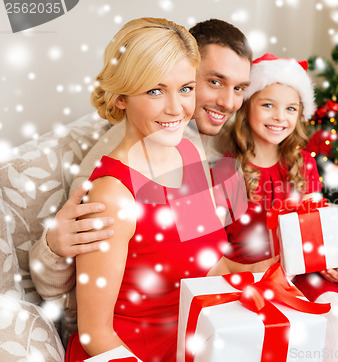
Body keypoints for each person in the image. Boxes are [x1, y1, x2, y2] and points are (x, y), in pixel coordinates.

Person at [28, 18, 252, 346]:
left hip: (197, 339)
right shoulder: (112, 196)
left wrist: (273, 272)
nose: (177, 108)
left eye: (186, 89)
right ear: (121, 97)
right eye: (155, 90)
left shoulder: (188, 151)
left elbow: (211, 263)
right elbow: (95, 333)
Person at [217, 53, 338, 362]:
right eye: (268, 105)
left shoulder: (304, 164)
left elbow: (317, 227)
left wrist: (333, 261)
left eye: (290, 108)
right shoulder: (228, 170)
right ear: (247, 108)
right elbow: (219, 244)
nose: (279, 117)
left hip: (304, 270)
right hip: (258, 275)